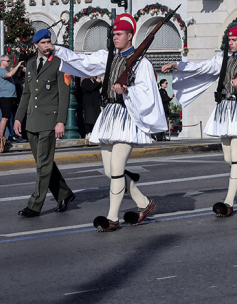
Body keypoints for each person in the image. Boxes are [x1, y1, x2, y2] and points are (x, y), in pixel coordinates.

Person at [56, 14, 166, 231]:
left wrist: (127, 91)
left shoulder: (141, 62)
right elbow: (83, 62)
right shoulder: (108, 57)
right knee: (110, 171)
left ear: (130, 35)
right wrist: (57, 49)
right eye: (113, 34)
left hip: (128, 117)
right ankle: (144, 204)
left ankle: (112, 218)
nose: (114, 38)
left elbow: (147, 92)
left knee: (116, 170)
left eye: (118, 34)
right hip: (109, 116)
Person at [163, 25, 237, 218]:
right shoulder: (223, 59)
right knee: (229, 159)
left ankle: (228, 202)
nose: (231, 43)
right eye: (229, 40)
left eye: (234, 40)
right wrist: (176, 65)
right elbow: (201, 67)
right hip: (224, 111)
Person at [13, 30, 76, 218]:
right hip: (32, 120)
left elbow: (64, 95)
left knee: (43, 165)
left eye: (49, 42)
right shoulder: (31, 65)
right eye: (43, 42)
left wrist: (60, 122)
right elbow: (27, 94)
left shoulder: (59, 63)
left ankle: (34, 205)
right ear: (35, 45)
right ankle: (64, 194)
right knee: (44, 162)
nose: (47, 45)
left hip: (50, 120)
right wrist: (18, 117)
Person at [0, 55, 23, 142]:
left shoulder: (4, 70)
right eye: (7, 61)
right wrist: (18, 65)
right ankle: (1, 135)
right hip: (5, 96)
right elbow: (10, 74)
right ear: (2, 61)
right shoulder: (0, 70)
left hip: (9, 96)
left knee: (8, 117)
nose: (9, 62)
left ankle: (6, 135)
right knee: (5, 117)